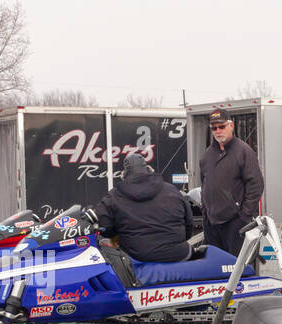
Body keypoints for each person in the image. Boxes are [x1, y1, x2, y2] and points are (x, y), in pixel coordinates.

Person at [92, 153, 195, 263]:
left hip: (136, 257)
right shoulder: (172, 190)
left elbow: (105, 228)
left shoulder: (113, 196)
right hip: (178, 255)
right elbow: (189, 225)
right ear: (149, 170)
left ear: (124, 174)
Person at [198, 108, 263, 255]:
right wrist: (205, 215)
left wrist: (243, 217)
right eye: (214, 128)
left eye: (221, 127)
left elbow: (256, 185)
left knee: (235, 268)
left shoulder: (244, 151)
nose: (218, 131)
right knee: (216, 269)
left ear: (231, 126)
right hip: (212, 224)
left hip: (235, 223)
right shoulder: (207, 155)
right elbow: (204, 185)